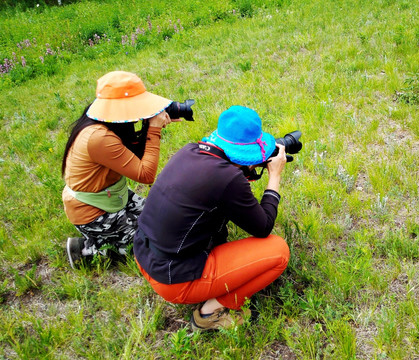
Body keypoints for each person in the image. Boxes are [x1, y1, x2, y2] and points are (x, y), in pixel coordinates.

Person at [133, 105, 290, 331]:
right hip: (172, 280)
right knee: (278, 252)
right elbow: (263, 226)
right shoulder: (229, 178)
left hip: (144, 255)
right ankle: (210, 313)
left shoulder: (189, 150)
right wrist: (274, 176)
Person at [62, 70, 179, 268]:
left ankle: (112, 238)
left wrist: (149, 129)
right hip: (93, 211)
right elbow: (145, 174)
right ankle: (87, 250)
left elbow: (132, 156)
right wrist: (154, 130)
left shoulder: (106, 123)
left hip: (113, 195)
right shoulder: (98, 137)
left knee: (163, 219)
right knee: (157, 244)